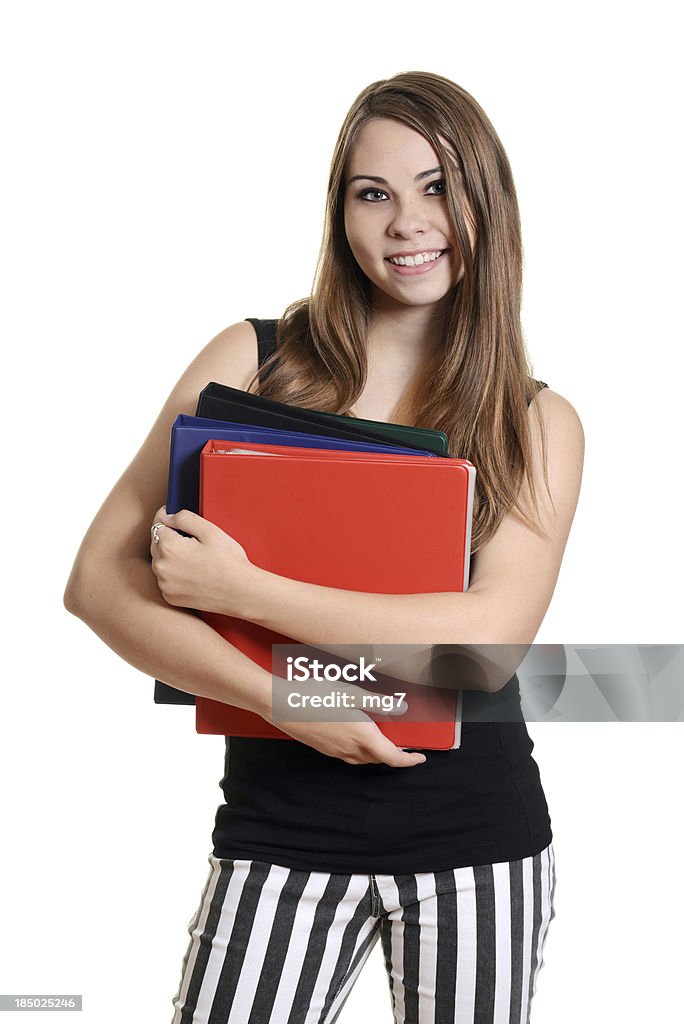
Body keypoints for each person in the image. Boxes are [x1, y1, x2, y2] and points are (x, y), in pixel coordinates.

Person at [63, 70, 584, 1024]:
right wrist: (285, 702)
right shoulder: (253, 360)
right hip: (277, 832)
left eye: (438, 185)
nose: (406, 223)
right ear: (339, 211)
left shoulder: (535, 420)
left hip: (478, 839)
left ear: (486, 200)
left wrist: (246, 590)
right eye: (372, 193)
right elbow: (97, 584)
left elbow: (486, 645)